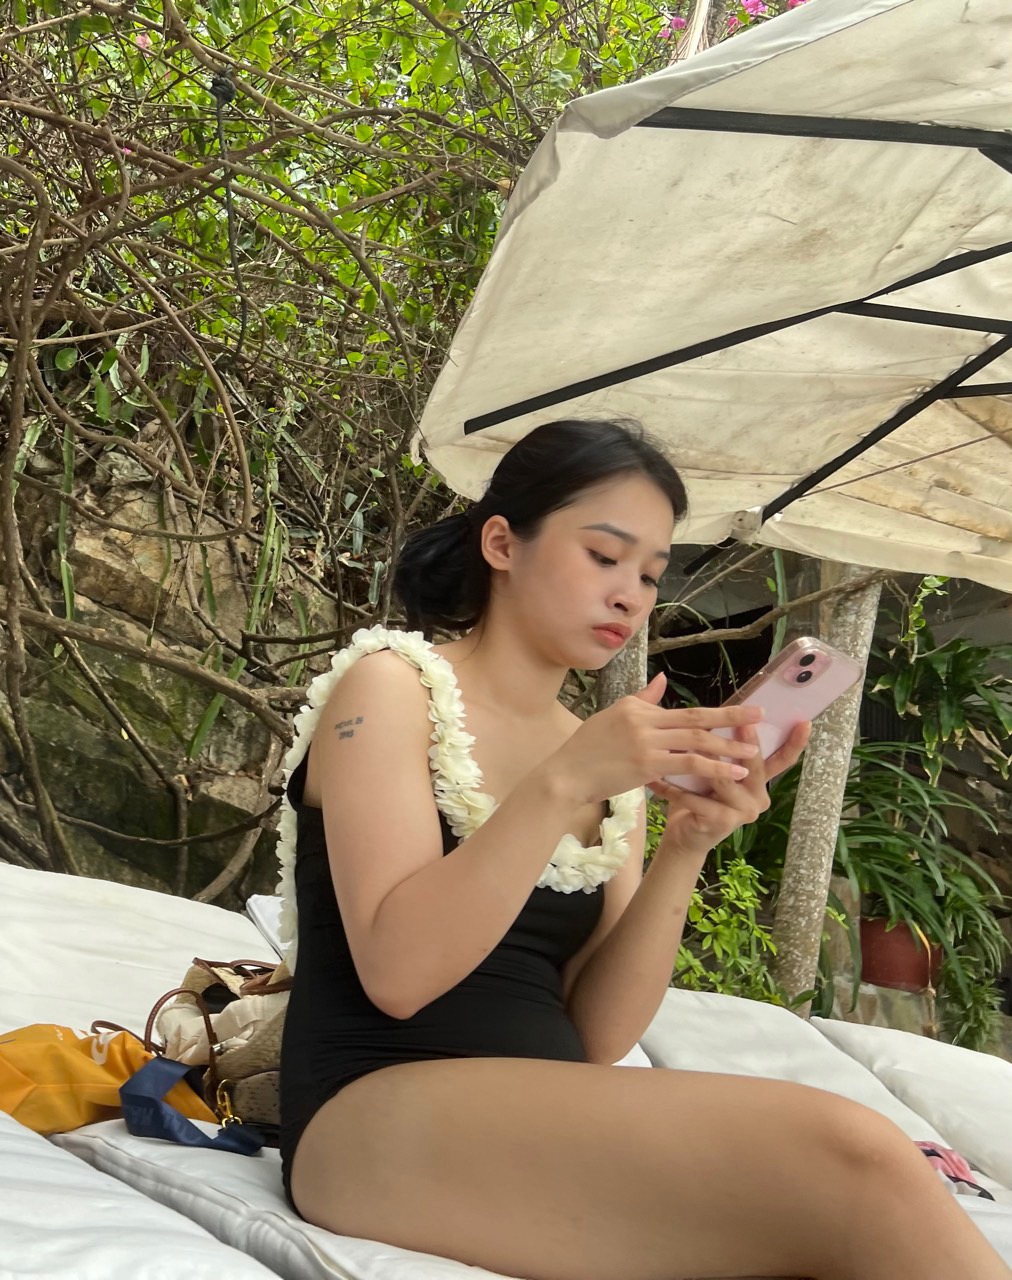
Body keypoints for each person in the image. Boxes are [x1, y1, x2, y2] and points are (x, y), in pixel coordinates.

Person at [278, 419, 1011, 1280]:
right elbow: (399, 976)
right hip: (372, 1112)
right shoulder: (392, 688)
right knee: (853, 1150)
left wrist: (687, 845)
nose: (630, 595)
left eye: (651, 574)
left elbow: (597, 1035)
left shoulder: (601, 756)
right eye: (604, 556)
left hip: (544, 1112)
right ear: (502, 543)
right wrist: (561, 784)